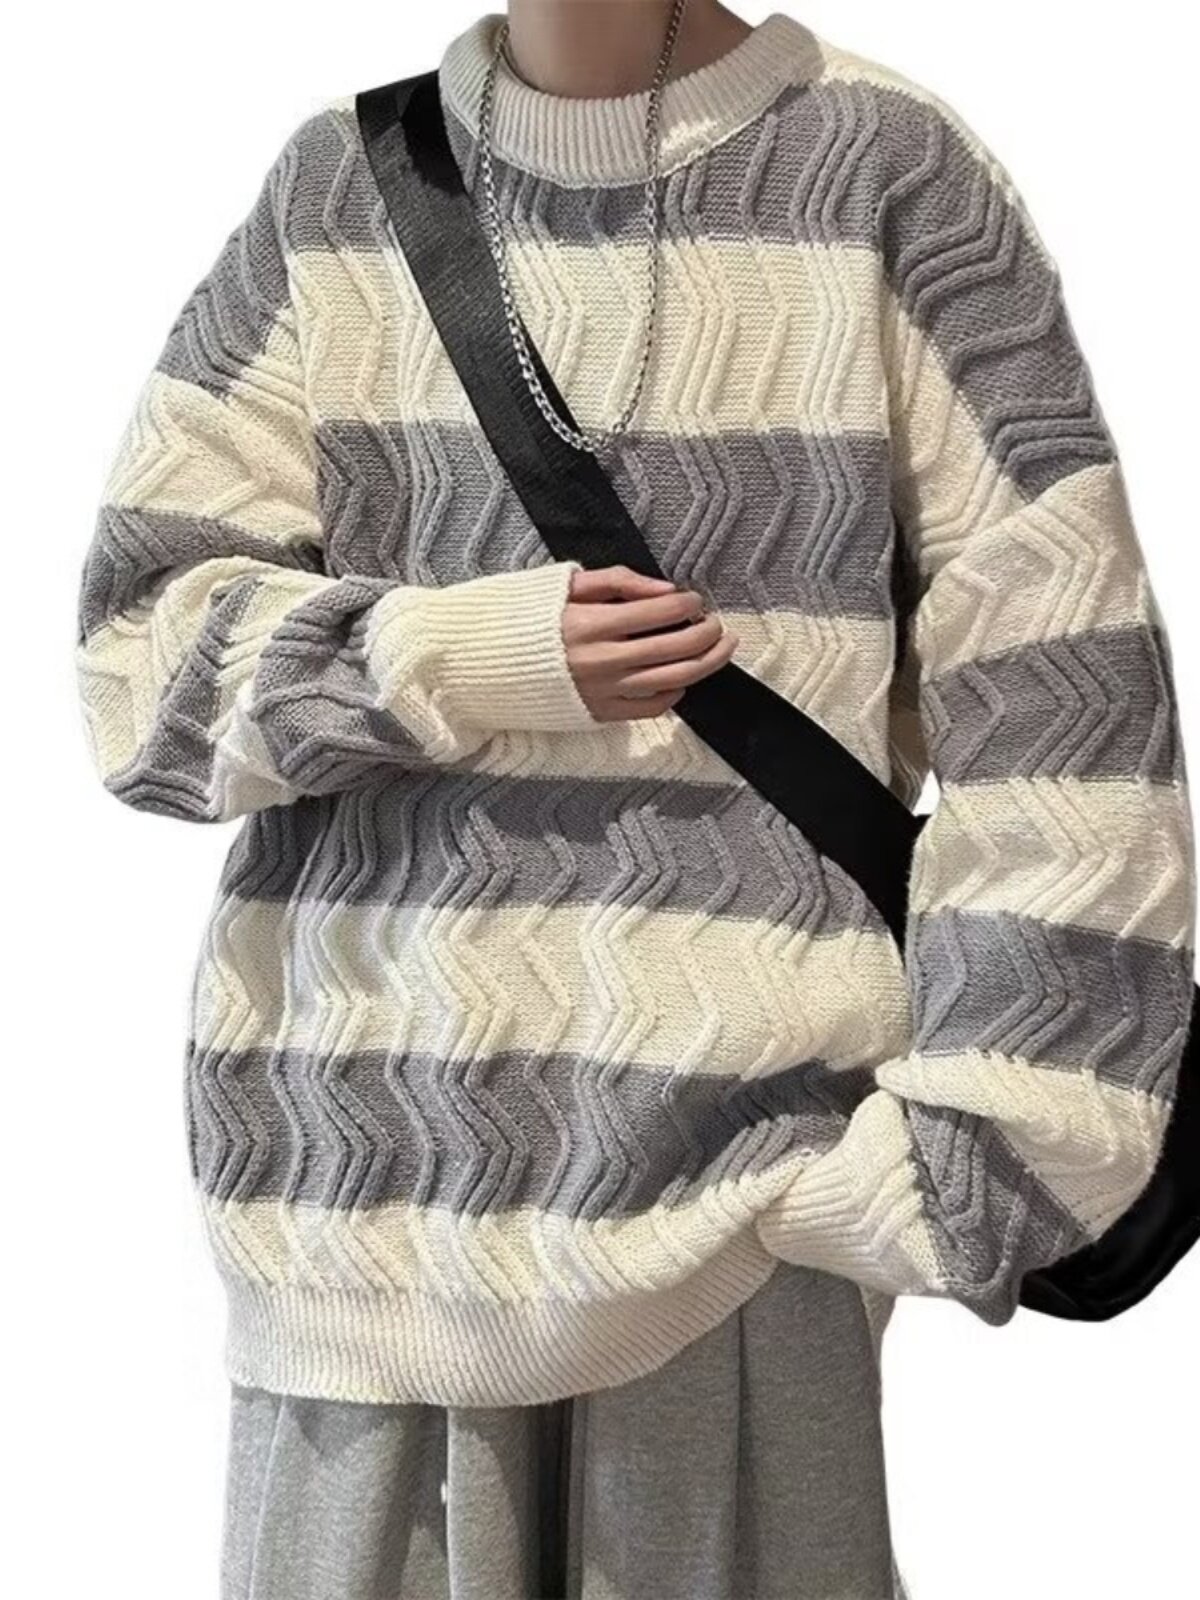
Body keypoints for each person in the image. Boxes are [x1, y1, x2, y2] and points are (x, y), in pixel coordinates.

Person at [73, 3, 1196, 1596]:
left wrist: (974, 1160)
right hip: (348, 1222)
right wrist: (454, 652)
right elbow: (138, 678)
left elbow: (1066, 705)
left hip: (736, 1232)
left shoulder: (885, 169)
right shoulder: (340, 187)